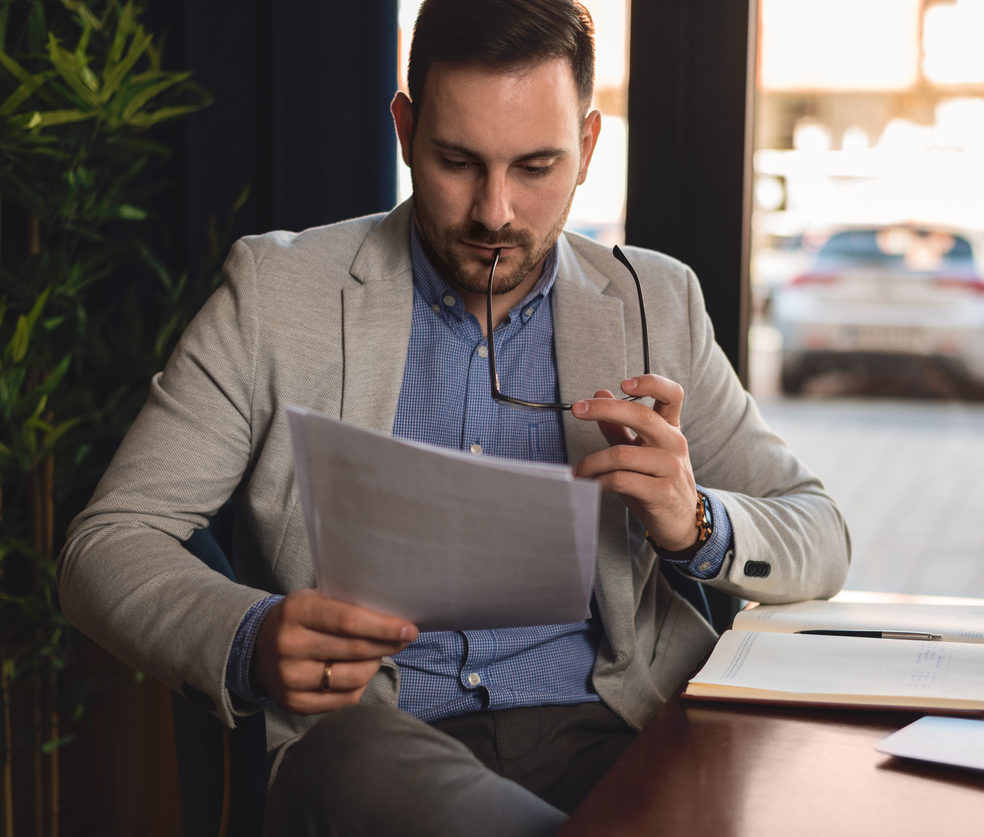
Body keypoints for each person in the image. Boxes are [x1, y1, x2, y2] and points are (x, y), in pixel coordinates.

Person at [58, 1, 850, 834]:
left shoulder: (657, 300)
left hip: (616, 734)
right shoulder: (274, 294)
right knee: (353, 757)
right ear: (404, 130)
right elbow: (106, 544)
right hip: (377, 749)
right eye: (458, 162)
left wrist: (696, 520)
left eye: (537, 166)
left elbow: (819, 529)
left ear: (586, 147)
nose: (496, 213)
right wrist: (253, 635)